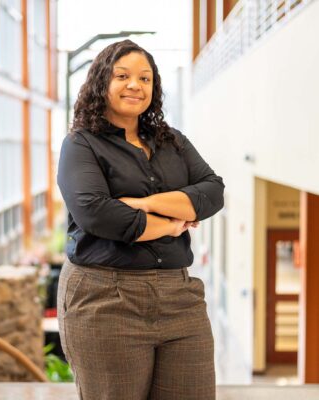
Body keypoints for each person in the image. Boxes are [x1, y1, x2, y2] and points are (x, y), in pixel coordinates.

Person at [57, 39, 224, 400]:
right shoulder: (81, 144)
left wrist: (144, 204)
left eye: (145, 79)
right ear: (102, 82)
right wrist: (172, 223)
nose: (135, 85)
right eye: (123, 75)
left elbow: (212, 192)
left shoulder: (172, 141)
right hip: (104, 298)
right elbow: (98, 214)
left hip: (178, 294)